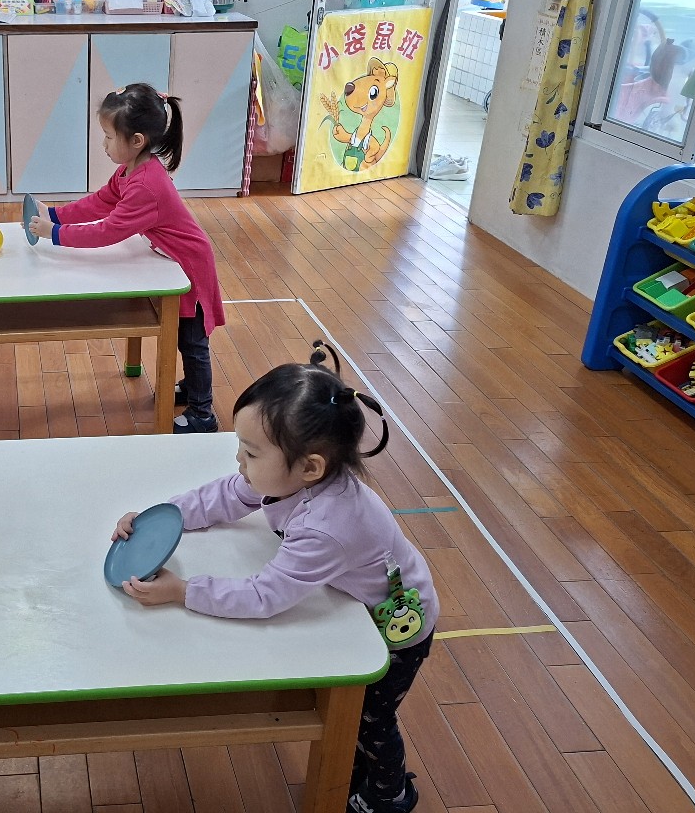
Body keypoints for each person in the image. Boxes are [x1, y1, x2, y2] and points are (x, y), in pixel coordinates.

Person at [112, 341, 436, 813]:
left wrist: (183, 591)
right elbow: (225, 496)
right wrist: (158, 517)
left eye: (250, 452)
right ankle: (358, 771)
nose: (239, 462)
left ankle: (390, 796)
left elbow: (265, 596)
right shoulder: (291, 478)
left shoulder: (327, 527)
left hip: (398, 625)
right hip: (356, 602)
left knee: (371, 718)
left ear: (310, 467)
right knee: (356, 718)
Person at [27, 82, 225, 433]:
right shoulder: (130, 170)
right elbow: (101, 202)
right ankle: (193, 389)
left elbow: (108, 231)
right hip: (176, 260)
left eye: (108, 137)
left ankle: (203, 413)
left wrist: (54, 234)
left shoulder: (146, 185)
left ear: (136, 140)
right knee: (186, 338)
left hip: (191, 269)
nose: (103, 145)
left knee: (192, 342)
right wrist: (55, 215)